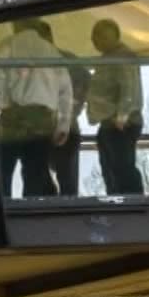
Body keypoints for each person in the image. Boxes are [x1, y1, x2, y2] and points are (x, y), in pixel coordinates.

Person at [0, 18, 73, 198]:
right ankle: (33, 208)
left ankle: (2, 206)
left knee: (1, 165)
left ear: (17, 25)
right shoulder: (51, 51)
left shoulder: (10, 44)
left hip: (14, 114)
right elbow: (65, 90)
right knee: (35, 168)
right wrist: (64, 124)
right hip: (43, 118)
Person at [87, 19, 145, 195]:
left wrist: (122, 114)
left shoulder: (122, 56)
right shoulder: (107, 59)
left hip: (120, 122)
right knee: (111, 171)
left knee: (122, 170)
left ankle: (132, 208)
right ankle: (118, 205)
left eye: (103, 36)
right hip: (109, 122)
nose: (97, 41)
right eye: (95, 37)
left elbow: (129, 85)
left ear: (115, 36)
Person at [35, 21, 91, 196]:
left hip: (60, 127)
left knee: (65, 178)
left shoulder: (67, 60)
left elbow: (86, 81)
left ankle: (61, 209)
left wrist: (74, 107)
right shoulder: (31, 63)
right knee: (43, 177)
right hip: (40, 129)